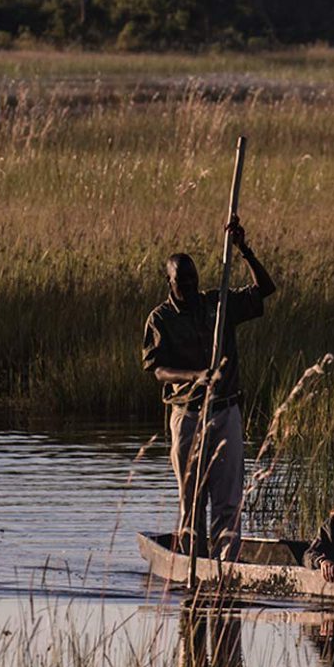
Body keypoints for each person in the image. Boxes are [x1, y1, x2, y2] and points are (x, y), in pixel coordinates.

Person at [141, 218, 276, 561]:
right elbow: (157, 370)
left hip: (226, 411)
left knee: (229, 500)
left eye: (191, 279)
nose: (187, 285)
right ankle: (193, 563)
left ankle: (226, 565)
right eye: (179, 280)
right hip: (187, 414)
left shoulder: (218, 304)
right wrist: (195, 376)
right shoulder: (160, 319)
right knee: (192, 498)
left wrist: (243, 249)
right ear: (167, 281)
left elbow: (266, 289)